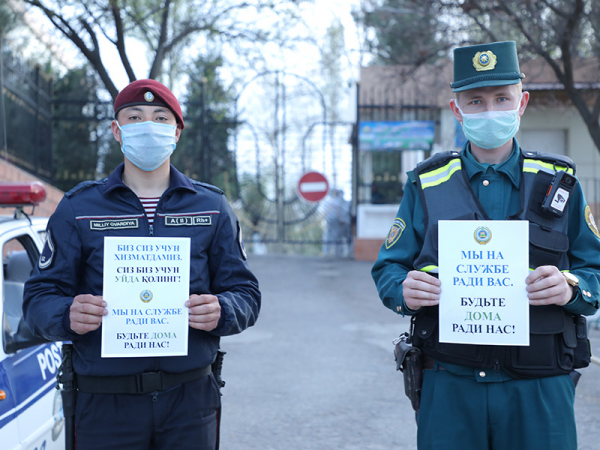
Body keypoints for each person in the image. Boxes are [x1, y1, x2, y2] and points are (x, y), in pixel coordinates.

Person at [372, 41, 600, 450]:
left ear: (522, 102)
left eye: (501, 98)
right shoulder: (426, 183)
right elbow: (389, 268)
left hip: (541, 386)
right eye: (475, 101)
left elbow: (595, 270)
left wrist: (570, 287)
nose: (490, 111)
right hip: (450, 383)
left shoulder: (560, 183)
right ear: (457, 109)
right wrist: (404, 291)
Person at [23, 79, 261, 450]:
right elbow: (38, 297)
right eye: (134, 117)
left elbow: (246, 293)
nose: (147, 126)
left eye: (160, 118)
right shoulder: (78, 208)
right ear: (117, 131)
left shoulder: (212, 207)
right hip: (104, 403)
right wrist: (66, 314)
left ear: (177, 131)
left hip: (190, 400)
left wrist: (223, 309)